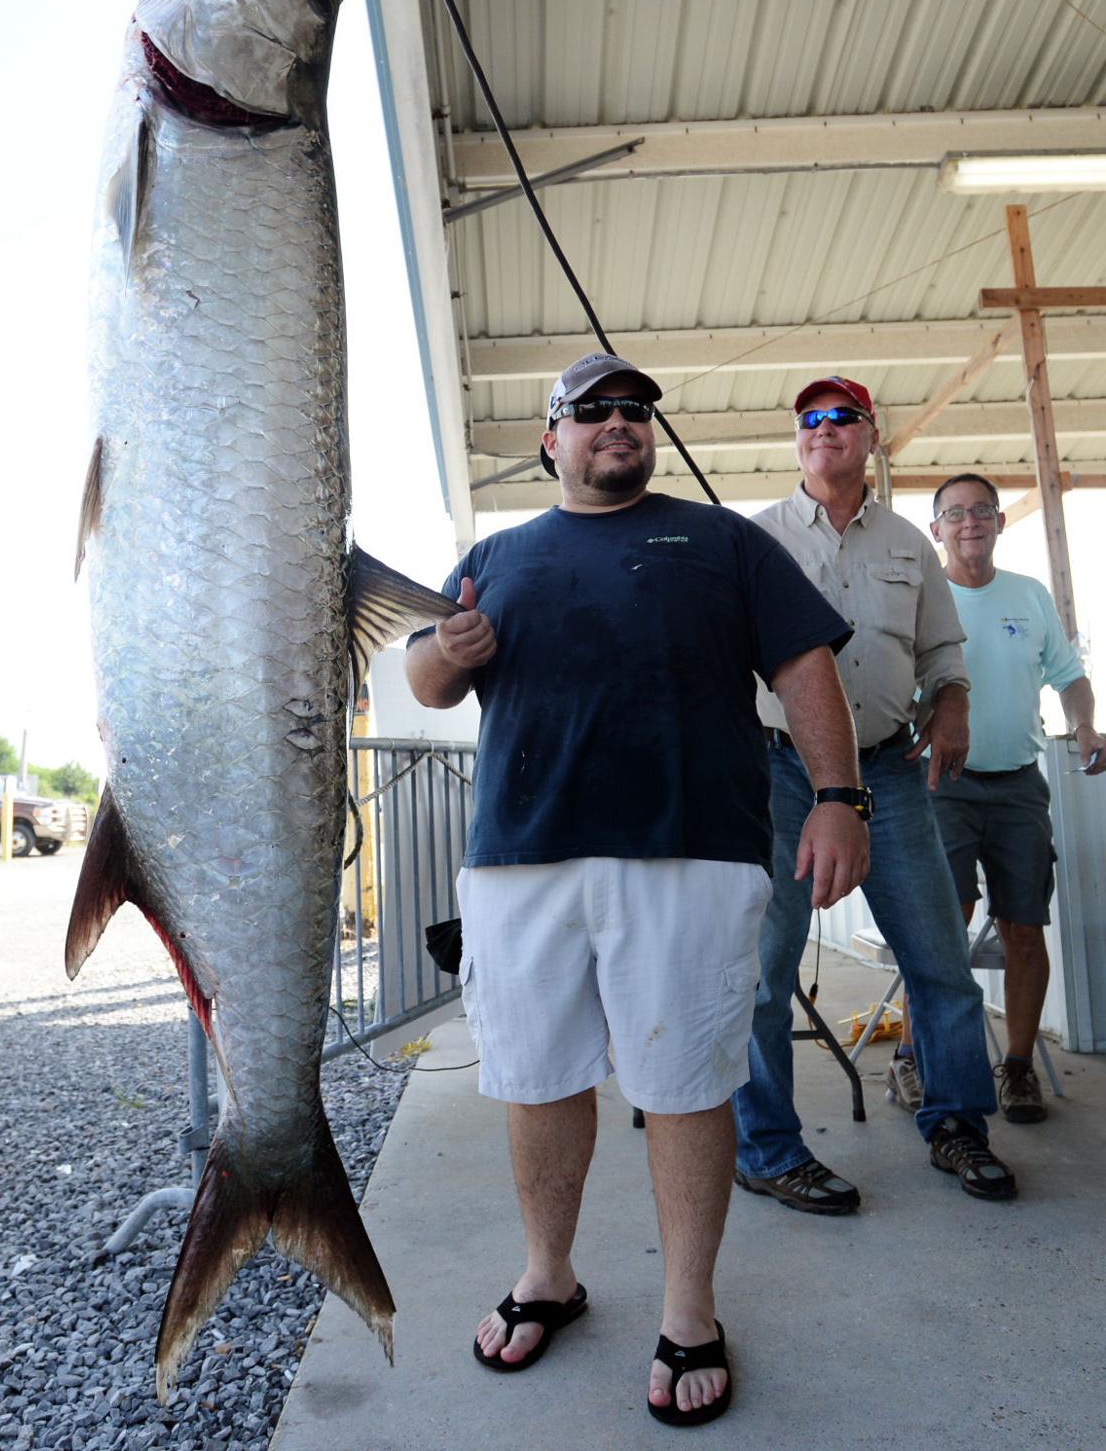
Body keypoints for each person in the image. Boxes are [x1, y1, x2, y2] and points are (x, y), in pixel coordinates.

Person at [405, 352, 869, 1427]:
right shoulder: (496, 553)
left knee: (687, 1085)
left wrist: (842, 796)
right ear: (550, 441)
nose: (619, 422)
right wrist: (447, 648)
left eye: (635, 410)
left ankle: (690, 1310)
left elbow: (806, 666)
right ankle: (547, 1276)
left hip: (693, 850)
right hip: (522, 859)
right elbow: (426, 677)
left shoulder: (725, 541)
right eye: (593, 410)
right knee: (536, 1074)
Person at [731, 376, 1017, 1211]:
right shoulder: (756, 540)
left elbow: (942, 655)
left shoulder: (908, 543)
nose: (825, 429)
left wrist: (955, 702)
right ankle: (769, 1147)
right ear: (797, 441)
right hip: (778, 771)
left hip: (890, 769)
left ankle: (958, 1122)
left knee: (939, 959)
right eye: (810, 419)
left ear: (870, 435)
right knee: (761, 971)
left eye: (842, 416)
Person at [924, 473, 1106, 1122]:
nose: (969, 521)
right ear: (935, 528)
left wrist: (1085, 723)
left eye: (982, 510)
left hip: (1020, 784)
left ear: (1000, 522)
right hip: (940, 784)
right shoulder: (924, 595)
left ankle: (1019, 1067)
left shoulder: (1028, 595)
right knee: (946, 926)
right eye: (955, 512)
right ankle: (928, 1056)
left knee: (1023, 929)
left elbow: (1071, 676)